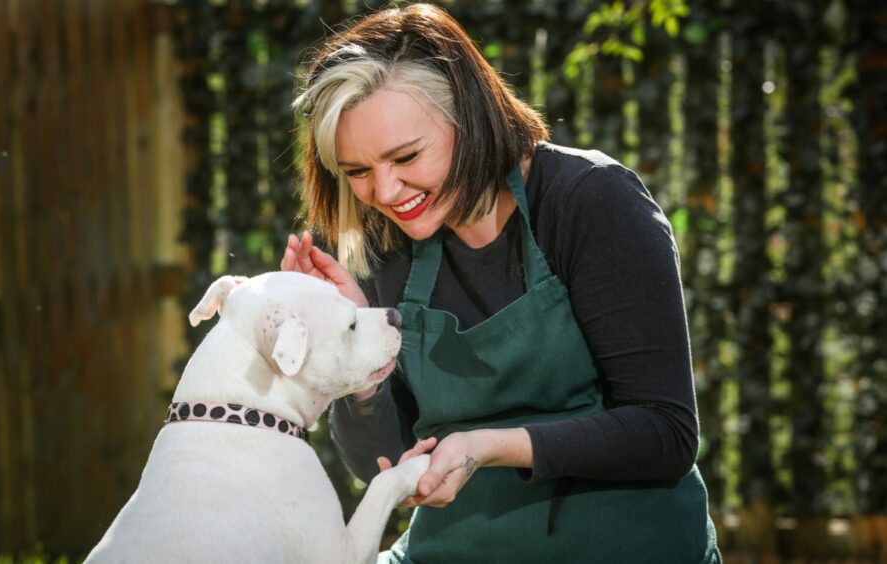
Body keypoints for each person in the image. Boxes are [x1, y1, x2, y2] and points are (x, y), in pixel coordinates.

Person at [281, 3, 721, 563]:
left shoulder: (591, 203)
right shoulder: (386, 244)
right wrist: (353, 352)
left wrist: (490, 448)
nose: (386, 192)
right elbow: (385, 467)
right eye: (358, 172)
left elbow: (666, 433)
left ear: (469, 115)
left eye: (406, 156)